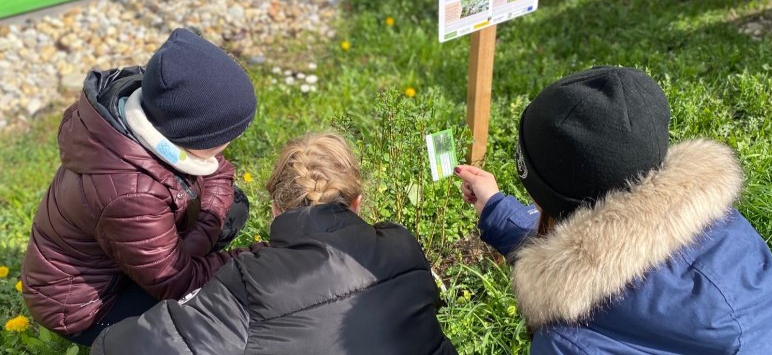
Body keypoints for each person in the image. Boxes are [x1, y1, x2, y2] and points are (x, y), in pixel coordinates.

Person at [455, 66, 772, 354]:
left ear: (554, 202)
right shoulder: (727, 231)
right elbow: (605, 245)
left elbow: (590, 251)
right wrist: (496, 207)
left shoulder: (569, 344)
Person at [90, 132, 457, 355]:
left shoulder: (252, 283)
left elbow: (133, 348)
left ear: (275, 209)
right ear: (357, 202)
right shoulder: (403, 247)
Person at [22, 28, 261, 346]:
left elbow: (218, 171)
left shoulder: (158, 120)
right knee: (205, 322)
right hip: (86, 305)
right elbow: (177, 282)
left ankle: (166, 259)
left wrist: (198, 235)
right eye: (225, 136)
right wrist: (262, 261)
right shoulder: (130, 195)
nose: (230, 142)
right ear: (190, 136)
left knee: (232, 208)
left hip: (127, 251)